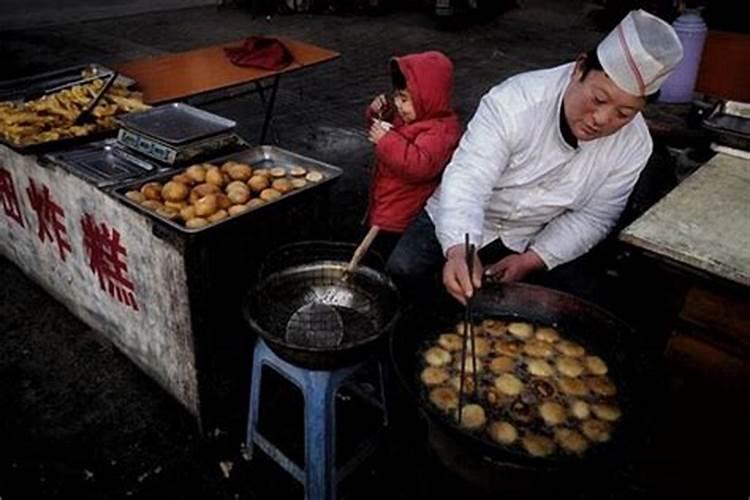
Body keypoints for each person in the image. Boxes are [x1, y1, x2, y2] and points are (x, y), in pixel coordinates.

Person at [386, 9, 684, 304]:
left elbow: (594, 216)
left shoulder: (634, 144)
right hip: (470, 213)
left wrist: (532, 260)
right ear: (579, 69)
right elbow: (469, 179)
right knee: (404, 271)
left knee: (582, 301)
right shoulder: (515, 102)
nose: (602, 119)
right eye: (598, 99)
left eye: (624, 113)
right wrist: (459, 249)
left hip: (537, 229)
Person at [362, 50, 461, 261]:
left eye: (405, 99)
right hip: (387, 203)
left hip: (402, 214)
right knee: (371, 250)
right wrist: (380, 114)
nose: (398, 104)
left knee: (381, 256)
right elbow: (392, 131)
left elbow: (420, 166)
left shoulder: (440, 132)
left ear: (428, 98)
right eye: (397, 96)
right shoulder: (413, 118)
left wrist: (386, 140)